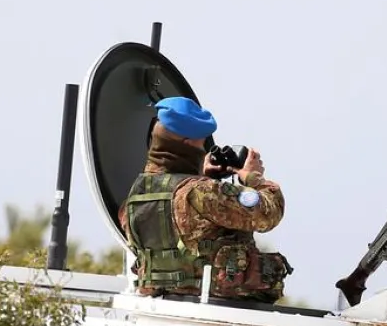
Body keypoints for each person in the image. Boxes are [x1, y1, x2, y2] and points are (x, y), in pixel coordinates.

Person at [117, 96, 293, 303]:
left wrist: (203, 176)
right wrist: (253, 177)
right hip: (220, 301)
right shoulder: (202, 192)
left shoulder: (135, 196)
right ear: (188, 142)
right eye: (201, 143)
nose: (203, 150)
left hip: (164, 300)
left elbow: (181, 216)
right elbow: (269, 213)